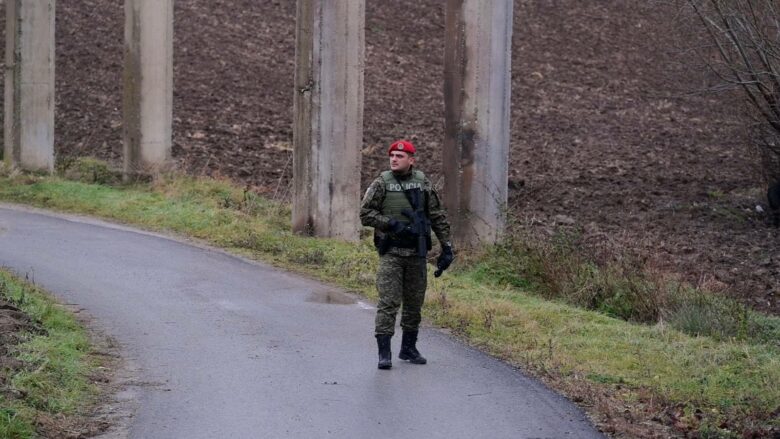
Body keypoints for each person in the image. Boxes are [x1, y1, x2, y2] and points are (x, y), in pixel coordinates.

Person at [360, 139, 454, 370]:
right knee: (388, 302)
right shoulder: (382, 183)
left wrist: (447, 246)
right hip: (391, 252)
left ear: (411, 160)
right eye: (392, 155)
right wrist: (391, 224)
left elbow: (437, 216)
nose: (394, 159)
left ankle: (408, 348)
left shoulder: (423, 184)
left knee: (414, 303)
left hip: (416, 254)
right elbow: (365, 214)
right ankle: (384, 353)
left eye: (399, 156)